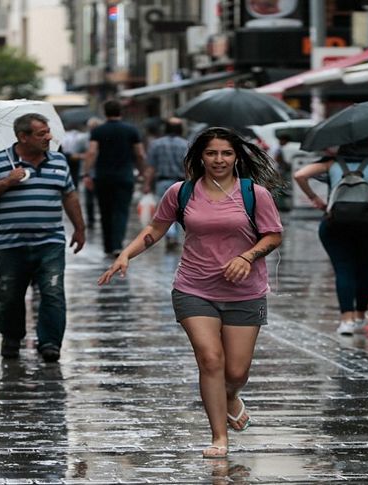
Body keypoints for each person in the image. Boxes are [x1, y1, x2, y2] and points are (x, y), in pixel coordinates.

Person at [98, 127, 284, 458]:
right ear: (201, 157)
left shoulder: (255, 194)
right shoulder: (181, 192)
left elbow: (272, 236)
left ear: (236, 157)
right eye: (211, 153)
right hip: (193, 288)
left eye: (226, 153)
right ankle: (219, 438)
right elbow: (156, 228)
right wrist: (125, 254)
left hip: (246, 291)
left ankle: (230, 397)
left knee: (236, 372)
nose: (219, 160)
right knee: (210, 359)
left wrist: (247, 256)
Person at [0, 113, 86, 362]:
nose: (48, 137)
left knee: (53, 291)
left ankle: (50, 343)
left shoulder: (59, 160)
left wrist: (80, 227)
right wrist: (6, 182)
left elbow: (69, 194)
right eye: (41, 133)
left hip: (50, 242)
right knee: (9, 293)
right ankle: (12, 338)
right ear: (22, 137)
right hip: (10, 244)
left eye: (48, 132)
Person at [293, 137, 368, 335]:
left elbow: (300, 174)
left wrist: (315, 198)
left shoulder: (332, 163)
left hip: (335, 224)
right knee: (364, 269)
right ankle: (361, 316)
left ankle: (346, 320)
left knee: (343, 269)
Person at [83, 99, 147, 256]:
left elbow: (91, 152)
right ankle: (117, 244)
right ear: (121, 112)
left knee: (105, 211)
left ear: (105, 112)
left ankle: (107, 245)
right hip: (125, 176)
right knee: (121, 210)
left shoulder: (98, 131)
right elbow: (139, 153)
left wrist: (86, 173)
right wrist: (143, 172)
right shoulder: (132, 130)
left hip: (103, 176)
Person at [143, 117, 188, 248]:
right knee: (180, 211)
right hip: (181, 184)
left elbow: (150, 167)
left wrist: (146, 184)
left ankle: (170, 236)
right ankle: (174, 236)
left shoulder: (156, 144)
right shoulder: (186, 144)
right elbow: (189, 167)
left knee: (164, 212)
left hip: (162, 182)